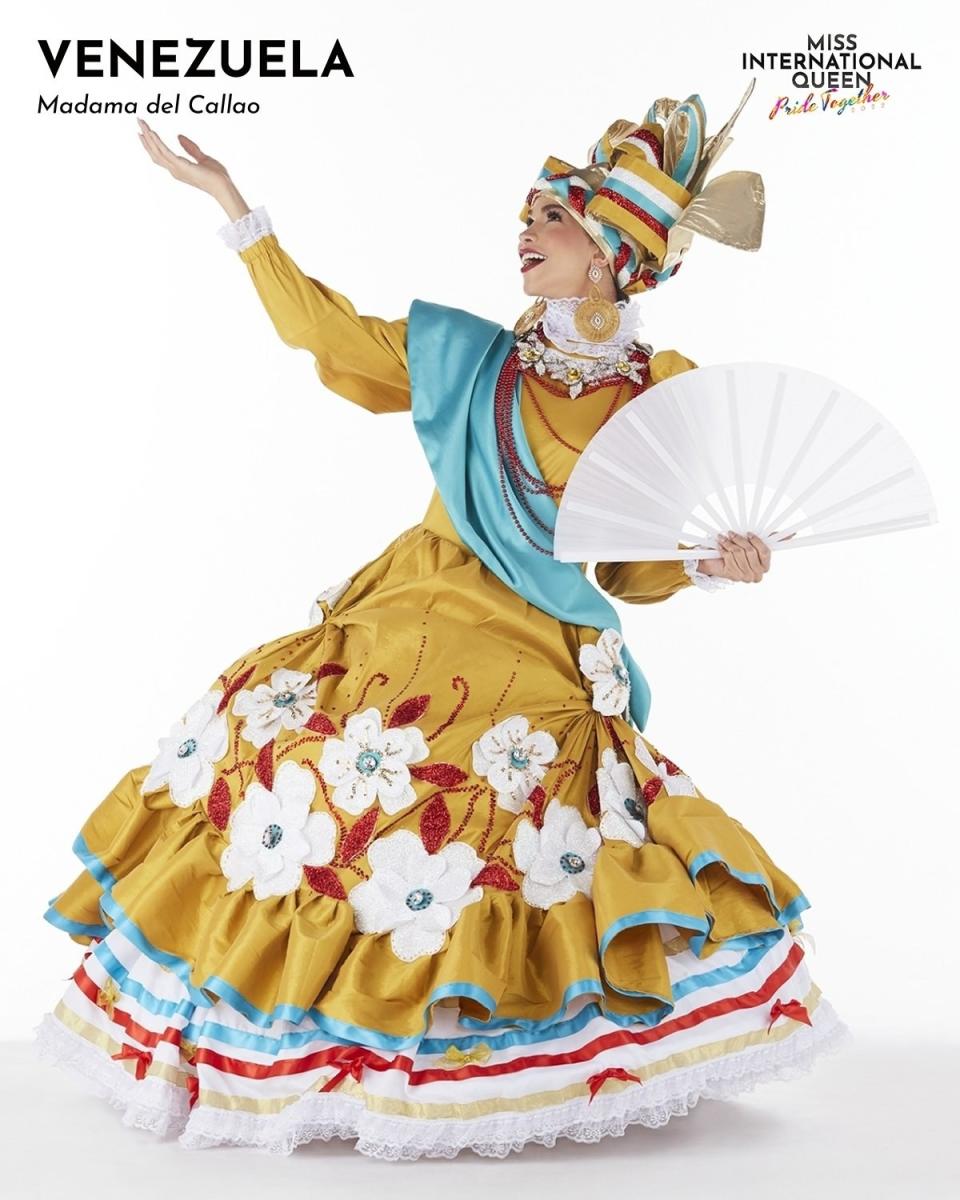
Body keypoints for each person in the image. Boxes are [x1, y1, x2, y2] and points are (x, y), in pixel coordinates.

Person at [33, 82, 851, 1161]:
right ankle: (302, 1038)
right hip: (411, 611)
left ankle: (495, 1052)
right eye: (529, 216)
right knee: (299, 756)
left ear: (612, 252)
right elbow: (322, 330)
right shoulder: (475, 360)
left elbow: (631, 566)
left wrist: (710, 562)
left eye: (551, 220)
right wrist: (237, 210)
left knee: (509, 807)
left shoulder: (660, 390)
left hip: (539, 641)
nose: (526, 231)